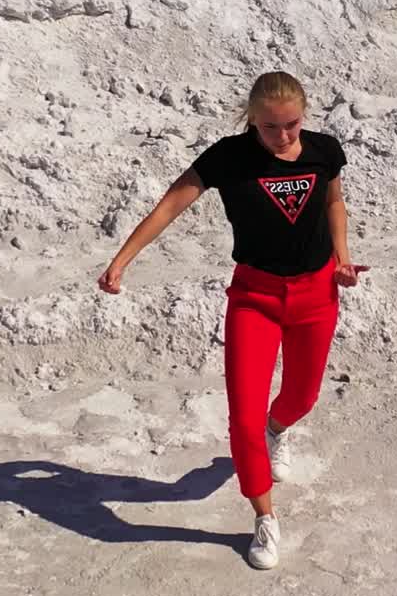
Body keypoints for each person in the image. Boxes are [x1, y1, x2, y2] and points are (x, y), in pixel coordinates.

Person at [98, 72, 367, 569]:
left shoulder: (324, 150)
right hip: (255, 298)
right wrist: (122, 259)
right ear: (251, 119)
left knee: (301, 398)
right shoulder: (228, 157)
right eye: (269, 127)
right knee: (241, 417)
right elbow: (169, 206)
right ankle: (264, 516)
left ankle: (277, 429)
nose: (282, 137)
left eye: (291, 125)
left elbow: (334, 202)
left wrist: (344, 258)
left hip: (316, 293)